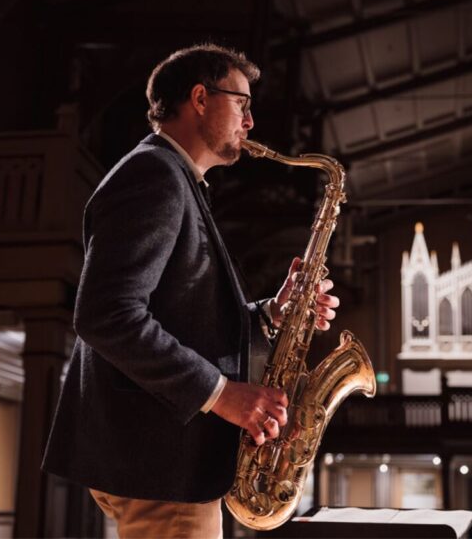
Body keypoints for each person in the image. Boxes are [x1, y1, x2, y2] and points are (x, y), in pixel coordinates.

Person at [42, 43, 340, 538]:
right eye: (241, 103)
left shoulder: (173, 178)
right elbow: (106, 315)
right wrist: (222, 394)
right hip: (162, 461)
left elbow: (180, 316)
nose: (250, 122)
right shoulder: (154, 175)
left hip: (164, 461)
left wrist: (272, 313)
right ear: (200, 98)